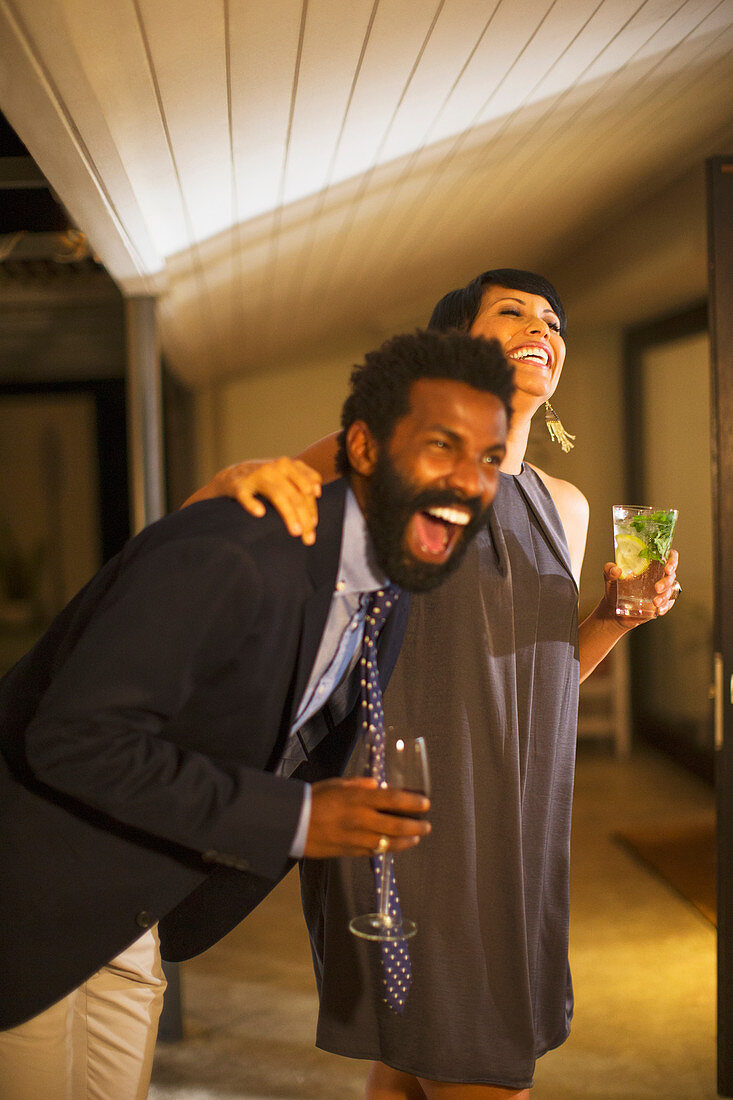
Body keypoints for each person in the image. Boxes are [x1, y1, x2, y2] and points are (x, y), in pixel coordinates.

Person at [188, 269, 680, 1100]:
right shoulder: (396, 466)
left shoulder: (564, 502)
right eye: (513, 312)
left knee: (409, 1064)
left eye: (553, 322)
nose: (541, 328)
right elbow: (222, 508)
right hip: (406, 813)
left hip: (514, 821)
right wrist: (240, 479)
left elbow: (539, 684)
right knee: (478, 1067)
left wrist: (615, 617)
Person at [0, 328, 514, 1100]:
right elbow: (73, 739)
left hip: (131, 908)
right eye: (442, 446)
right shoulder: (233, 550)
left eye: (489, 459)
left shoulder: (391, 590)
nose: (471, 480)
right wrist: (295, 819)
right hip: (29, 900)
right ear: (365, 448)